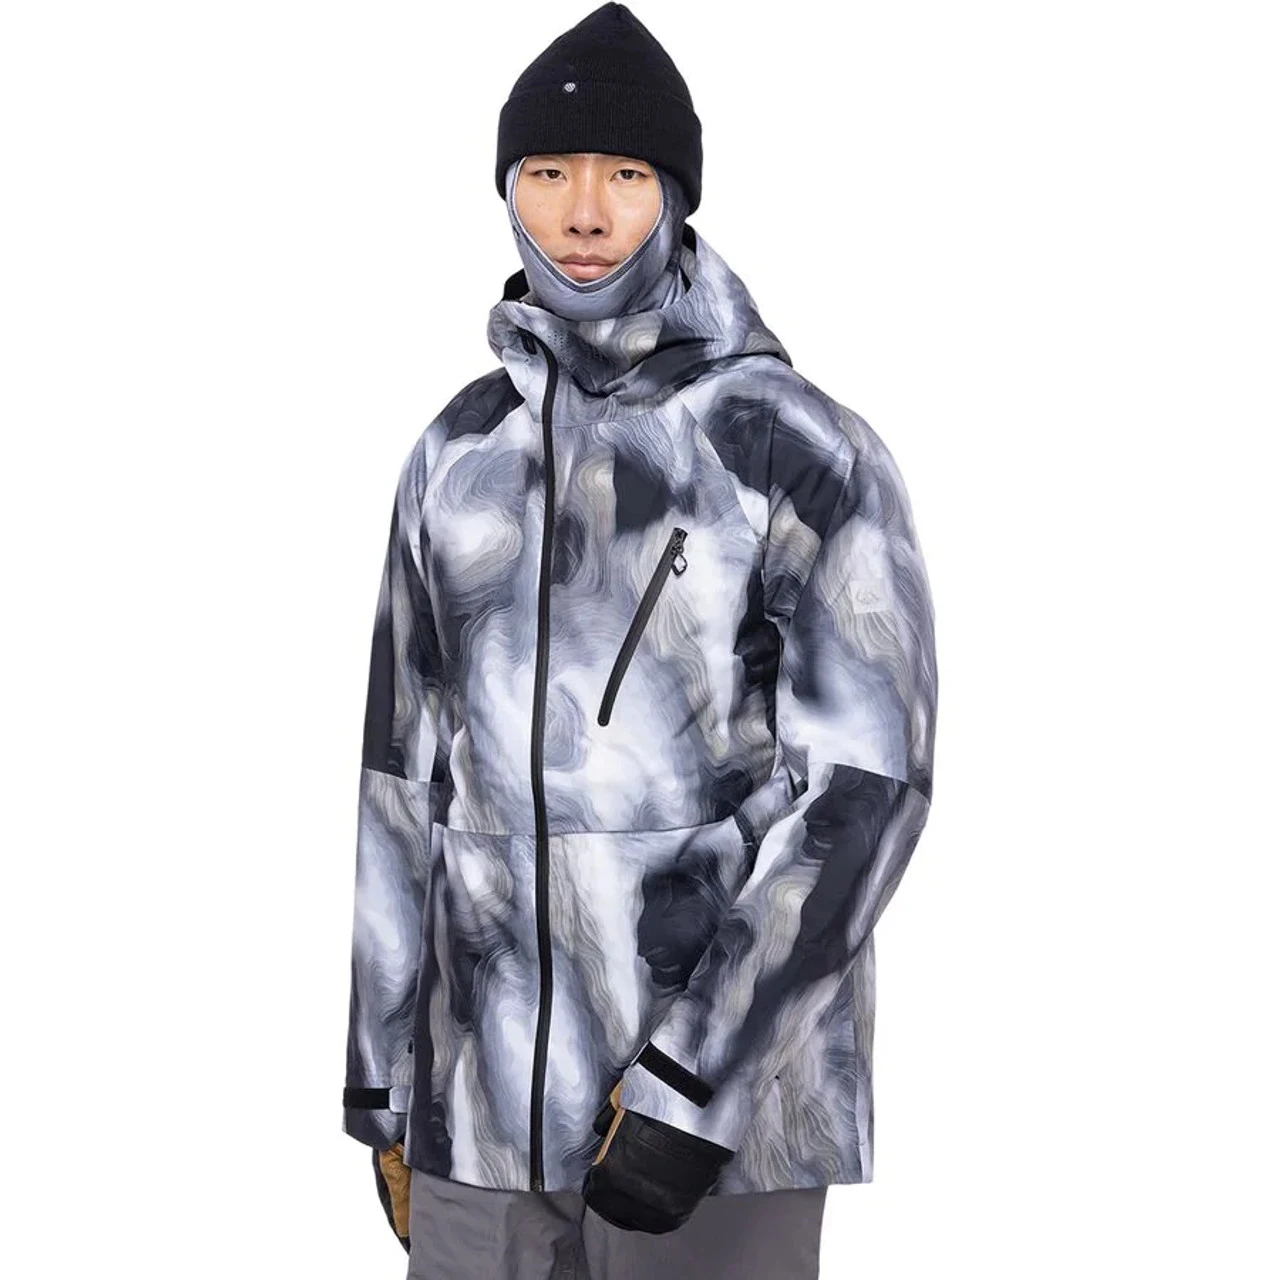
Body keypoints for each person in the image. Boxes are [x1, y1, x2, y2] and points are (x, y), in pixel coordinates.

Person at [341, 4, 938, 1277]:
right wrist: (383, 1080)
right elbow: (400, 775)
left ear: (673, 194)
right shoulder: (455, 454)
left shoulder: (793, 447)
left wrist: (691, 1082)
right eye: (547, 173)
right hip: (480, 1117)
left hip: (716, 1133)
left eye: (622, 174)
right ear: (507, 190)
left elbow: (865, 791)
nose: (581, 212)